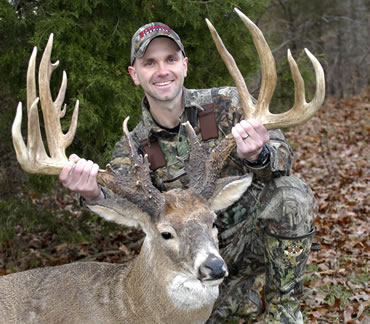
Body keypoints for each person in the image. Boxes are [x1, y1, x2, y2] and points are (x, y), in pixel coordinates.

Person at [59, 22, 317, 324]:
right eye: (149, 63)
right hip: (185, 263)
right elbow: (117, 199)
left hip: (245, 241)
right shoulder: (133, 147)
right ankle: (236, 299)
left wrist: (258, 154)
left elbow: (283, 157)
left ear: (184, 65)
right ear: (135, 74)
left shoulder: (228, 103)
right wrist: (91, 191)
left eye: (170, 59)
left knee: (290, 194)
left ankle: (283, 311)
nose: (162, 71)